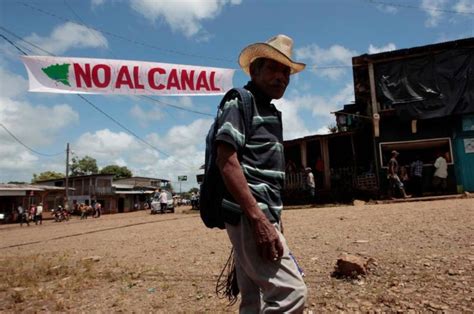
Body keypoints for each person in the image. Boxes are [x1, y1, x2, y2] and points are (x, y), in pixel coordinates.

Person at [215, 34, 307, 312]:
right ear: (254, 70)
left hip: (262, 215)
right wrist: (258, 220)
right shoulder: (240, 101)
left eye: (286, 71)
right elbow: (227, 160)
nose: (281, 77)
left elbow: (266, 175)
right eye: (273, 68)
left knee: (252, 301)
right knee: (292, 293)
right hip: (250, 215)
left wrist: (274, 218)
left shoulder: (270, 111)